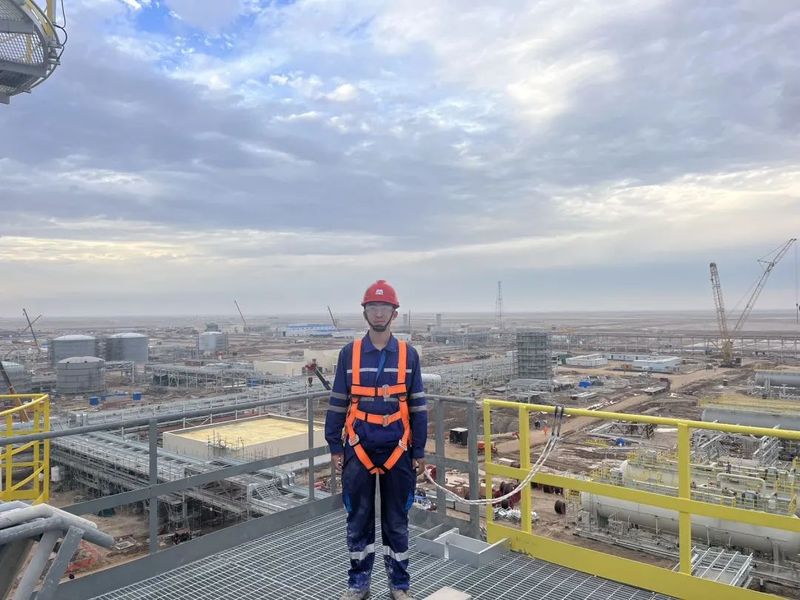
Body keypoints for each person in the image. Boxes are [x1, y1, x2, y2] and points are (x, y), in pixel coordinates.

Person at [325, 280, 427, 600]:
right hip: (359, 447)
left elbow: (418, 406)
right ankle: (359, 584)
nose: (379, 312)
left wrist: (419, 450)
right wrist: (334, 446)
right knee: (358, 518)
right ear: (365, 313)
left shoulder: (408, 356)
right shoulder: (350, 354)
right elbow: (338, 402)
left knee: (397, 520)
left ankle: (399, 585)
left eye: (384, 307)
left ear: (394, 313)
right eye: (373, 307)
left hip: (398, 447)